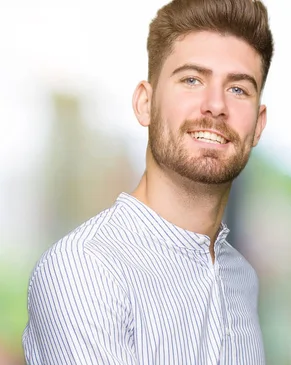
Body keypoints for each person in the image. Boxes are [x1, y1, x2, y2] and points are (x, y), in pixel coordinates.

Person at [22, 0, 274, 363]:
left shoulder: (241, 278)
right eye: (192, 80)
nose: (216, 105)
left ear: (258, 125)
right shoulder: (85, 270)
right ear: (144, 103)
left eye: (238, 89)